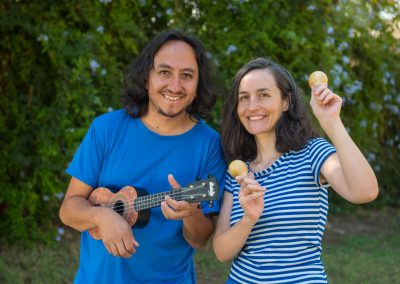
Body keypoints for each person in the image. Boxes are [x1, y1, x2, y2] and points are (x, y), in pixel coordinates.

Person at [59, 30, 227, 284]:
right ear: (146, 77)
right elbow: (69, 209)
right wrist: (101, 216)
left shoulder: (210, 144)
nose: (175, 85)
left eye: (187, 76)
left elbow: (199, 239)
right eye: (164, 72)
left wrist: (191, 213)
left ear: (197, 84)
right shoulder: (106, 129)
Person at [213, 58, 379, 284]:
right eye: (244, 97)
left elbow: (365, 192)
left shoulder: (312, 153)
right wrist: (248, 219)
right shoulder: (240, 171)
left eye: (263, 94)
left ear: (285, 102)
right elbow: (222, 252)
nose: (252, 106)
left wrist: (331, 122)